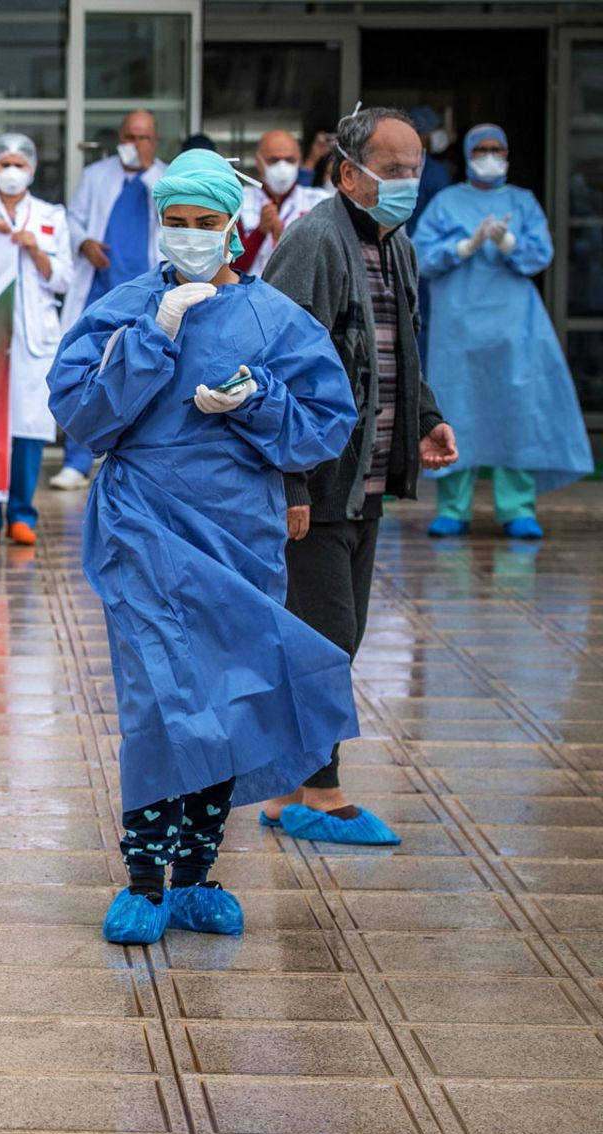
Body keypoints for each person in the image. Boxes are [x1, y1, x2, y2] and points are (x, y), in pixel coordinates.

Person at [48, 148, 360, 945]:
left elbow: (321, 430)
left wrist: (258, 401)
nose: (188, 237)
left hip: (236, 535)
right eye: (175, 223)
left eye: (204, 223)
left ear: (234, 227)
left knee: (227, 700)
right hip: (141, 531)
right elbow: (82, 416)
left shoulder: (276, 321)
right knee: (160, 699)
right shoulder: (123, 308)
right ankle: (144, 878)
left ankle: (196, 875)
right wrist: (149, 342)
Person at [261, 106, 459, 846]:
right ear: (349, 173)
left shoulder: (395, 244)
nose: (409, 182)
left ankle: (284, 791)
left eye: (415, 168)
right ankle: (321, 791)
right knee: (327, 638)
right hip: (318, 485)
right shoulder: (314, 240)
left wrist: (426, 416)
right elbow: (271, 366)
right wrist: (288, 485)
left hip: (367, 480)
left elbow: (398, 346)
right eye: (394, 169)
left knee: (339, 634)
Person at [418, 124, 592, 539]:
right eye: (483, 149)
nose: (491, 155)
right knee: (458, 411)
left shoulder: (522, 202)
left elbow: (540, 255)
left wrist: (510, 243)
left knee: (517, 412)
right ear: (468, 153)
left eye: (498, 148)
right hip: (459, 329)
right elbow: (421, 257)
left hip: (516, 326)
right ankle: (453, 508)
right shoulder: (446, 203)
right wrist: (465, 246)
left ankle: (517, 507)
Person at [0, 133, 74, 548]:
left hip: (34, 334)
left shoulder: (51, 216)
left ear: (31, 169)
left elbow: (65, 277)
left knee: (29, 426)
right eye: (4, 163)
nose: (12, 171)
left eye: (20, 164)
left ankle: (21, 514)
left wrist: (36, 250)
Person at [57, 109, 167, 491]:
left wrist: (150, 172)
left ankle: (128, 461)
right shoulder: (95, 175)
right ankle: (76, 460)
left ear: (154, 141)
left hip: (147, 294)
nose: (134, 145)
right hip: (100, 289)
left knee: (140, 372)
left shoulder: (166, 178)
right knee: (88, 370)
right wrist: (84, 242)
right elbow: (72, 219)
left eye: (143, 138)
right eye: (129, 136)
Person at [232, 129, 332, 279]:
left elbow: (325, 266)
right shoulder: (239, 200)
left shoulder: (319, 202)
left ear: (299, 160)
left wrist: (284, 240)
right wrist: (259, 232)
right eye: (274, 160)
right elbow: (232, 267)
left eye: (290, 160)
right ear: (258, 162)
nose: (282, 167)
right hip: (249, 298)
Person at [405, 106, 453, 235]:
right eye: (435, 130)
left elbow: (441, 216)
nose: (439, 135)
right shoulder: (390, 164)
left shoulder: (436, 173)